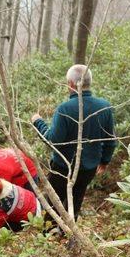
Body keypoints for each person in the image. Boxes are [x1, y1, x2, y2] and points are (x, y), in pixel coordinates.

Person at [31, 64, 116, 226]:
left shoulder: (65, 109)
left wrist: (38, 122)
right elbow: (111, 140)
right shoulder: (105, 107)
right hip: (89, 168)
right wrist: (104, 161)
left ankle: (49, 234)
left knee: (53, 202)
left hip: (63, 167)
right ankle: (69, 232)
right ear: (89, 83)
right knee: (76, 200)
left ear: (70, 84)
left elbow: (52, 140)